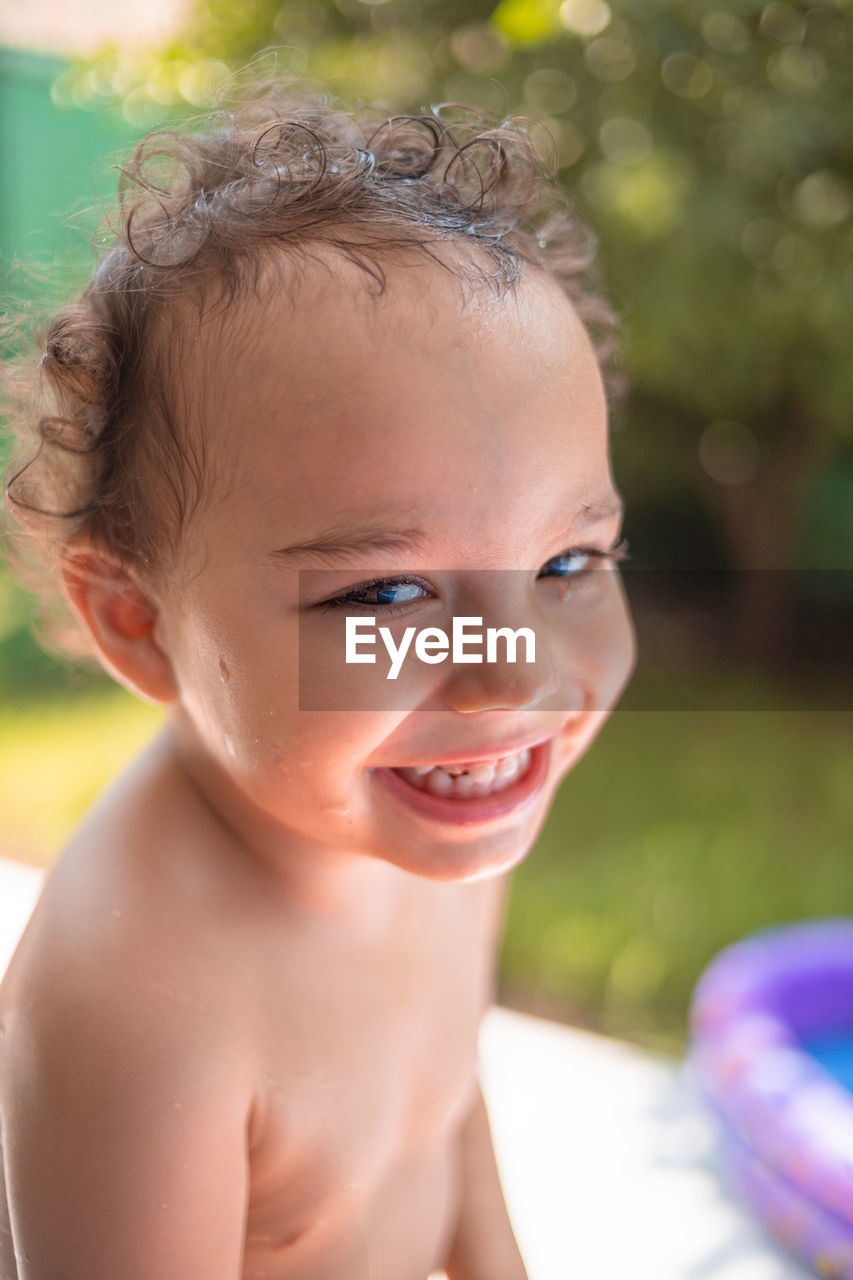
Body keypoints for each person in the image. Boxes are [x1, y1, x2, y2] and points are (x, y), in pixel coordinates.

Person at [0, 77, 635, 1280]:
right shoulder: (136, 1011)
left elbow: (438, 1095)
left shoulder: (436, 805)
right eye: (386, 594)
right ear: (137, 622)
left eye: (566, 559)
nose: (510, 675)